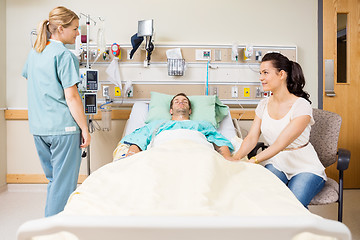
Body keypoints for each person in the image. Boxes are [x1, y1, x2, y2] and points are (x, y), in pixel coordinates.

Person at [22, 6, 91, 217]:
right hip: (63, 128)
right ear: (60, 28)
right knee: (63, 185)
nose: (78, 33)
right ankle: (53, 230)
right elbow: (71, 97)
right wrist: (85, 129)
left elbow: (35, 83)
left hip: (39, 128)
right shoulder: (64, 55)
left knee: (54, 180)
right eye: (75, 29)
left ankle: (52, 224)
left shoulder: (35, 52)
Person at [233, 52, 326, 207]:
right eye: (260, 73)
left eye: (265, 73)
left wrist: (253, 160)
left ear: (281, 74)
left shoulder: (301, 106)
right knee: (264, 201)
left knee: (292, 207)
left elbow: (280, 144)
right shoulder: (263, 104)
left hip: (305, 166)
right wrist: (236, 159)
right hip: (277, 163)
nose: (261, 78)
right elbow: (251, 137)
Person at [121, 93, 234, 161]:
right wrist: (130, 157)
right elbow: (138, 140)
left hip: (198, 155)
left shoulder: (202, 125)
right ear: (171, 110)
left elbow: (220, 143)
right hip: (162, 155)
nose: (181, 102)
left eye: (184, 101)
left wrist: (227, 160)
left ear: (189, 110)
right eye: (177, 101)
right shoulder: (158, 124)